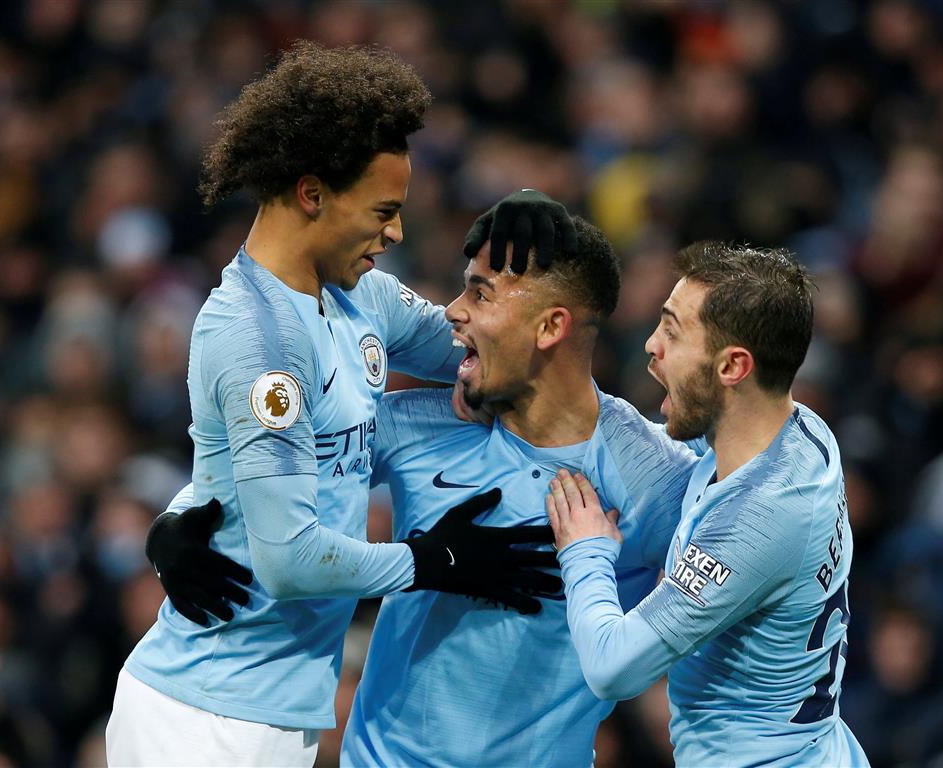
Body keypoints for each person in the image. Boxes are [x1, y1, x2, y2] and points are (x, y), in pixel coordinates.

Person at [105, 42, 567, 767]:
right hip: (204, 721)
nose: (397, 232)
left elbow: (485, 356)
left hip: (268, 714)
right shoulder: (257, 339)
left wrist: (534, 248)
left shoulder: (360, 295)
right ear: (312, 194)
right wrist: (433, 559)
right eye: (383, 210)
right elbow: (289, 562)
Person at [157, 213, 708, 767]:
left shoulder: (652, 477)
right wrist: (176, 520)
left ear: (549, 328)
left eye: (480, 293)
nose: (453, 311)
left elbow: (751, 578)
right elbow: (274, 472)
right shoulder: (418, 423)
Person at [548, 242, 869, 767]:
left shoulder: (754, 521)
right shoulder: (805, 432)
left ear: (733, 367)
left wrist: (585, 550)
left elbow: (613, 667)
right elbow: (679, 457)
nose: (652, 345)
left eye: (673, 331)